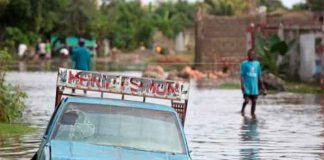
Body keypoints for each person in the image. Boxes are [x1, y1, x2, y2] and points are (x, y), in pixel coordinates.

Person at [240, 49, 266, 118]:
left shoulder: (257, 64)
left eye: (253, 55)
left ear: (254, 55)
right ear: (248, 55)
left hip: (254, 87)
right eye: (250, 54)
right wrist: (242, 85)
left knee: (254, 101)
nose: (252, 56)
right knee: (247, 100)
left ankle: (252, 113)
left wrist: (262, 85)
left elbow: (259, 75)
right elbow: (242, 75)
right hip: (247, 86)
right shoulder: (244, 64)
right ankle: (242, 110)